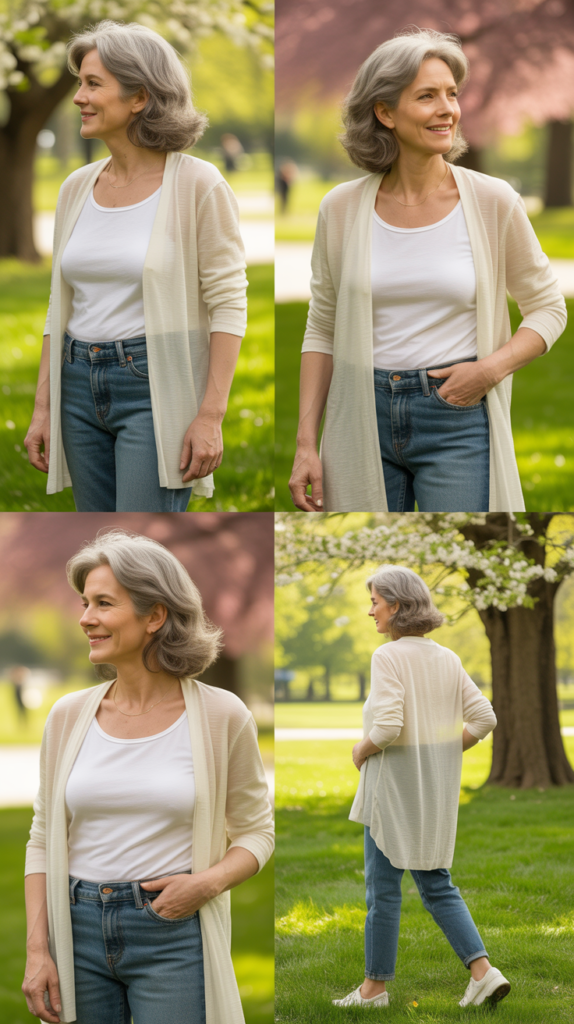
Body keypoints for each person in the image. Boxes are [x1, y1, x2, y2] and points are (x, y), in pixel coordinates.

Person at [289, 28, 567, 513]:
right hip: (360, 415)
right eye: (427, 96)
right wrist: (305, 443)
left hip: (455, 416)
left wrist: (488, 371)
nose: (448, 109)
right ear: (385, 112)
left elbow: (548, 308)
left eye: (452, 94)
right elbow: (322, 326)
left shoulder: (492, 201)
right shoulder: (340, 208)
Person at [22, 529, 274, 1024]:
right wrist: (38, 949)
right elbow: (43, 836)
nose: (85, 618)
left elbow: (256, 833)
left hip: (172, 932)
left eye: (103, 603)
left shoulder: (224, 715)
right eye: (84, 602)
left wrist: (206, 884)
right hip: (76, 932)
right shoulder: (67, 715)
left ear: (155, 615)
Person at [24, 20, 248, 512]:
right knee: (100, 534)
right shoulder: (75, 187)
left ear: (139, 98)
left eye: (93, 84)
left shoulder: (198, 184)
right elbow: (57, 307)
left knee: (143, 533)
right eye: (80, 82)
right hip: (77, 384)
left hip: (153, 385)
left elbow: (229, 304)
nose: (79, 97)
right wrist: (44, 408)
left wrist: (210, 415)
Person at [332, 564, 508, 1009]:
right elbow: (484, 718)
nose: (370, 611)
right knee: (437, 884)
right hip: (432, 793)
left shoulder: (388, 657)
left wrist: (362, 749)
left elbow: (389, 725)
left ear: (395, 604)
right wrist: (446, 751)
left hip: (390, 793)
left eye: (374, 601)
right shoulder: (445, 657)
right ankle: (483, 973)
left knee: (383, 892)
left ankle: (374, 990)